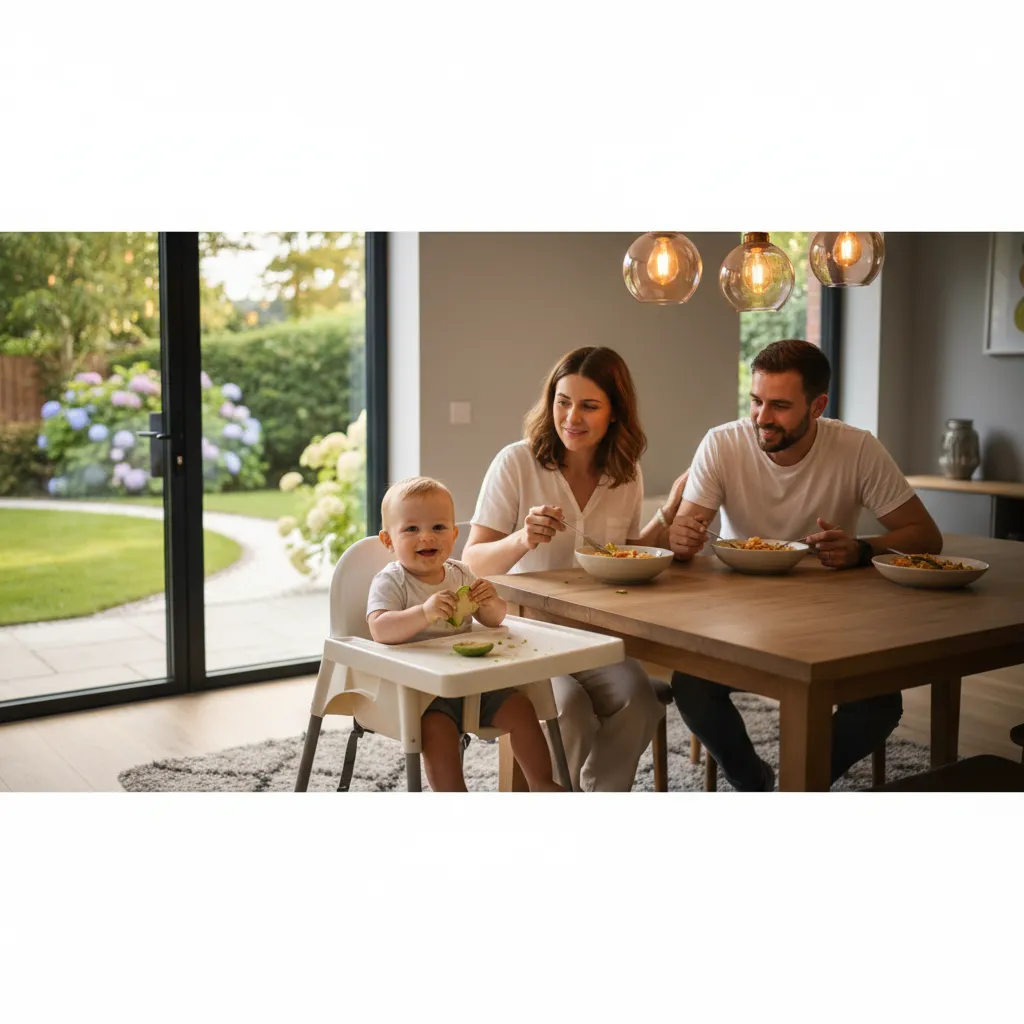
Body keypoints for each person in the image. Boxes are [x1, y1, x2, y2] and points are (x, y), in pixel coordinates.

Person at [663, 338, 944, 791]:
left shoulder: (856, 448)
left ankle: (800, 787)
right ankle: (753, 782)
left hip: (833, 618)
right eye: (756, 401)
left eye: (779, 405)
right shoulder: (723, 443)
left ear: (817, 406)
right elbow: (684, 535)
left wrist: (861, 549)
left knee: (879, 702)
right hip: (738, 614)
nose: (761, 418)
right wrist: (681, 538)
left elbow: (925, 536)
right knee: (692, 686)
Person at [462, 346, 688, 792]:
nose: (571, 417)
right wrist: (522, 539)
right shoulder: (517, 463)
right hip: (525, 633)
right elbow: (471, 561)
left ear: (615, 414)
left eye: (589, 405)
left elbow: (623, 554)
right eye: (563, 402)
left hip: (594, 634)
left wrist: (668, 518)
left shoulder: (626, 472)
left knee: (640, 701)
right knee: (569, 709)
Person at [367, 475, 563, 793]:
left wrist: (490, 600)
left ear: (454, 534)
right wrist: (424, 613)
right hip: (425, 694)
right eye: (412, 529)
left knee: (521, 708)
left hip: (475, 683)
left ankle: (542, 784)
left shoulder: (461, 573)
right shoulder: (392, 582)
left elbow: (494, 620)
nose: (427, 537)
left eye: (438, 528)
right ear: (388, 541)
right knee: (436, 733)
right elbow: (379, 629)